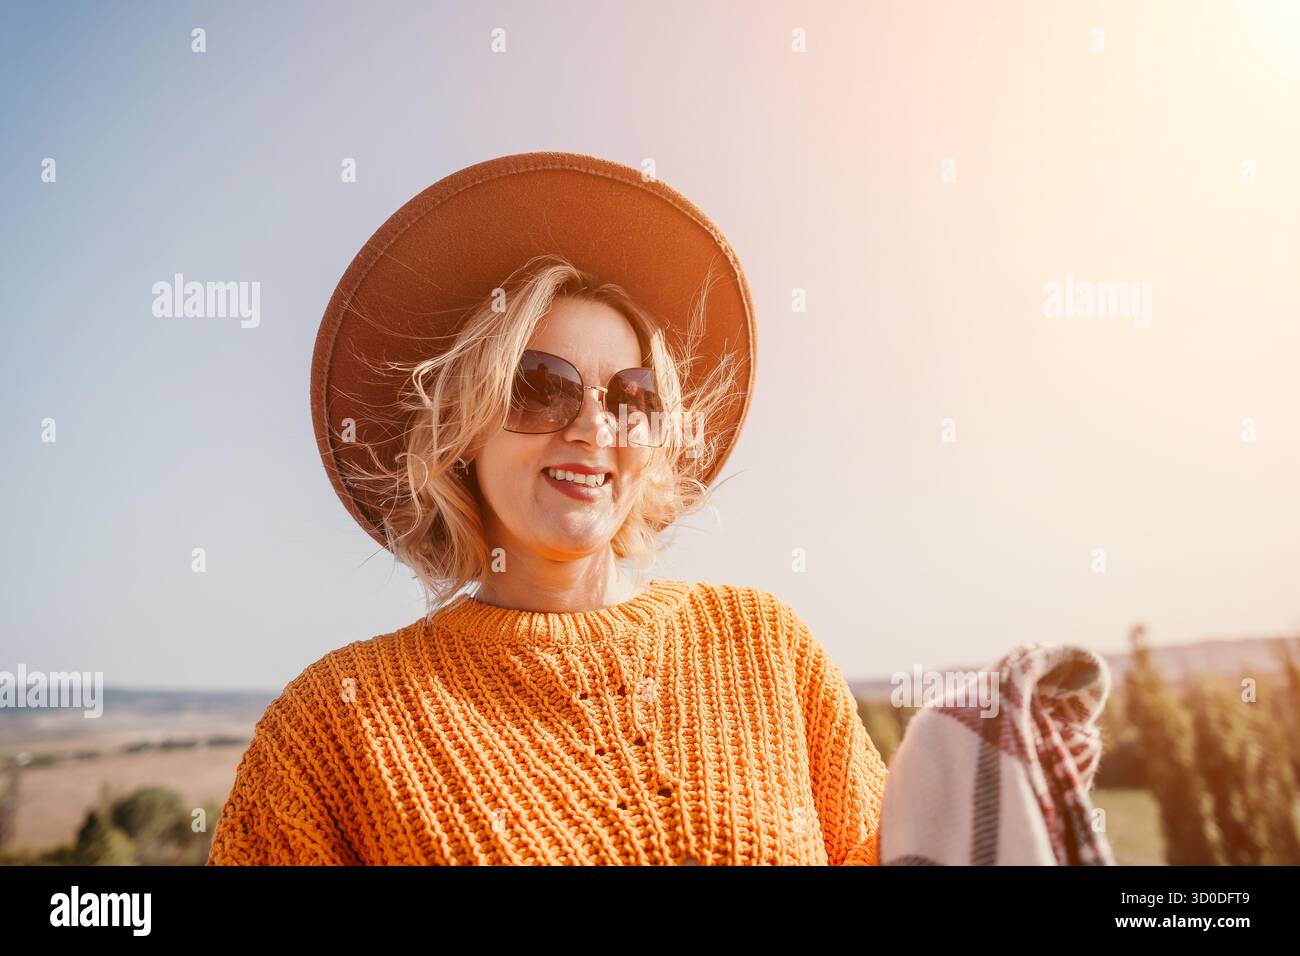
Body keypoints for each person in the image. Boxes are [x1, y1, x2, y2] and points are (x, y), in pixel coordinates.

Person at [206, 152, 886, 865]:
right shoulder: (331, 727)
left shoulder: (766, 648)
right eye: (541, 387)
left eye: (631, 396)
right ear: (460, 427)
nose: (595, 428)